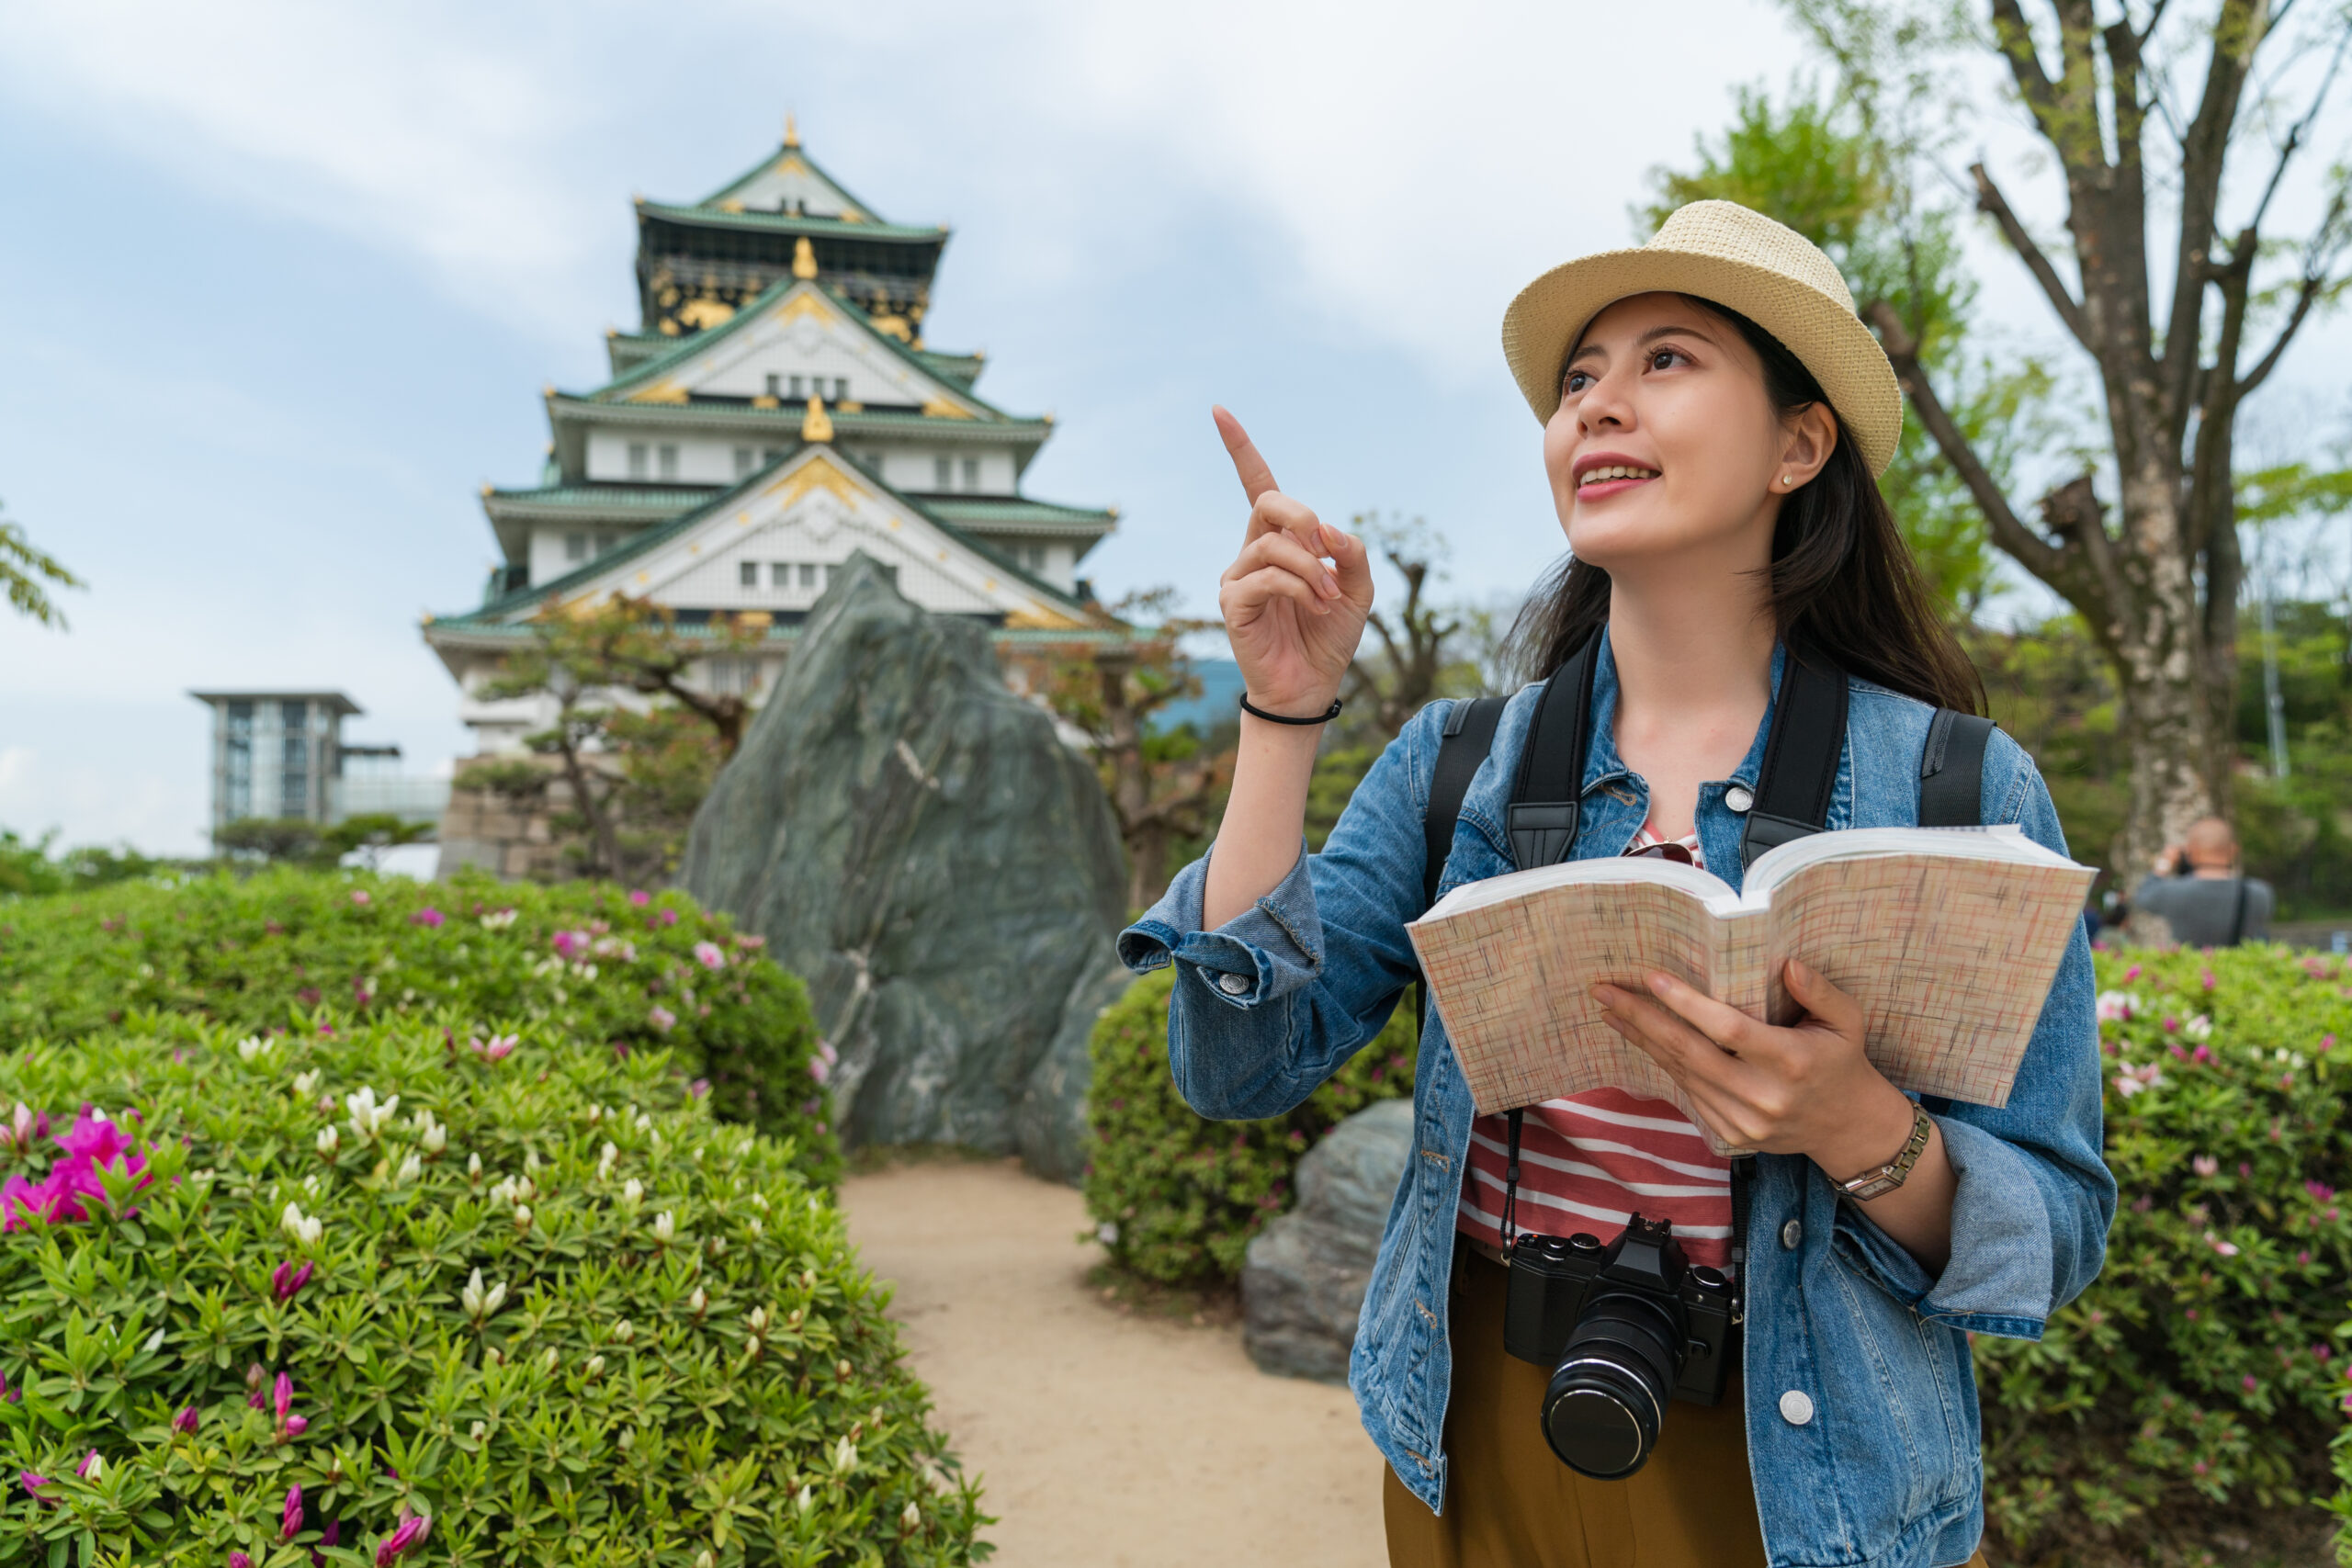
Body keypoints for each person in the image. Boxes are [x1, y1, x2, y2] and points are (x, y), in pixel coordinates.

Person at [1115, 201, 2112, 1568]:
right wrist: (1283, 717)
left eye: (1667, 360)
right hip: (1477, 1431)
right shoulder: (1458, 763)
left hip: (1802, 1481)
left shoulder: (1961, 788)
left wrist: (1862, 1128)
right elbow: (1238, 1064)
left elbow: (2055, 1227)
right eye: (1579, 378)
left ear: (1800, 444)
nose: (1597, 405)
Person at [2130, 816, 2273, 947]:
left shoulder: (2173, 892)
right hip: (2239, 973)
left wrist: (2165, 862)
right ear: (2233, 850)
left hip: (2192, 973)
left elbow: (2143, 897)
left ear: (2191, 851)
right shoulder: (2259, 893)